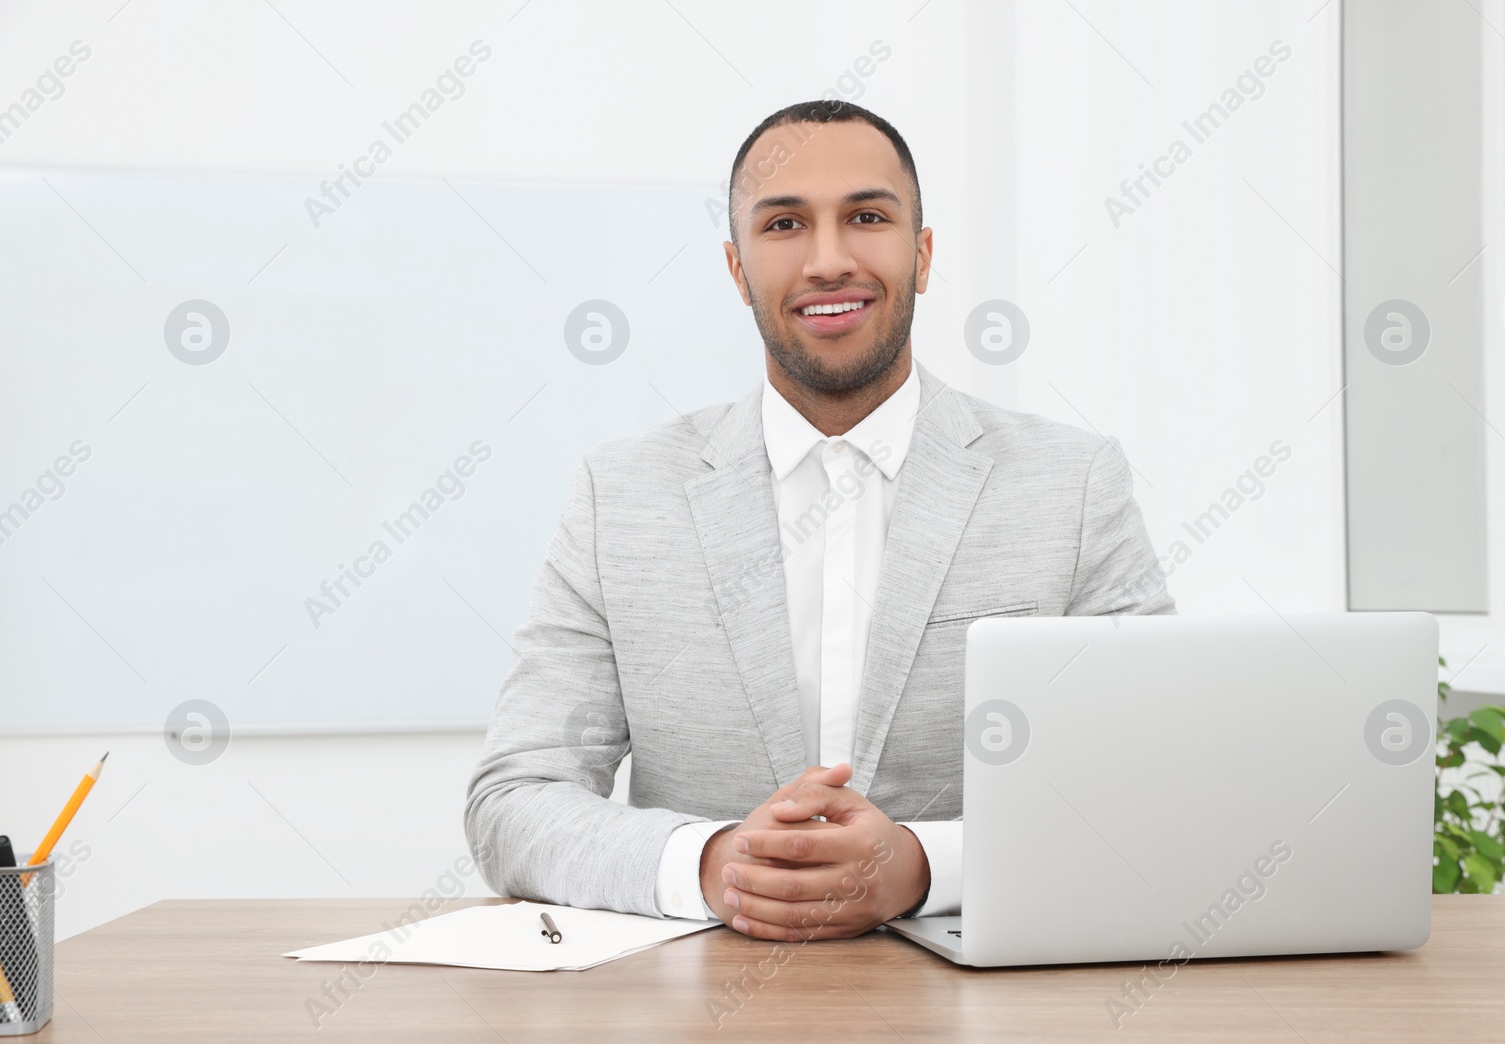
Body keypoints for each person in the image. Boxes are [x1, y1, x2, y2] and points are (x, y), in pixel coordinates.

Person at [465, 99, 1174, 942]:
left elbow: (1149, 795)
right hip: (699, 1016)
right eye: (785, 224)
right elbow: (515, 800)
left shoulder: (1073, 485)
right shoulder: (621, 495)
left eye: (867, 217)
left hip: (986, 1018)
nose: (828, 259)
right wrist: (714, 862)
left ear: (923, 253)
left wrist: (923, 865)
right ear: (736, 270)